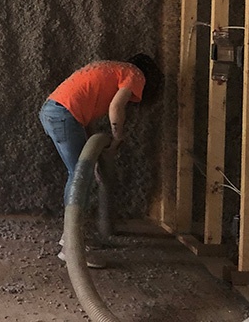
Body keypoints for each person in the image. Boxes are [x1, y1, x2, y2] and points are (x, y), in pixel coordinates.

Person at [39, 53, 162, 268]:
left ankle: (72, 238)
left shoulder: (112, 70)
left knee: (79, 172)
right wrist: (117, 137)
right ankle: (71, 246)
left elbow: (84, 121)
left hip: (53, 110)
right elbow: (116, 108)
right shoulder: (135, 74)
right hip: (63, 114)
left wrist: (94, 161)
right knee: (78, 176)